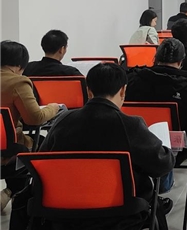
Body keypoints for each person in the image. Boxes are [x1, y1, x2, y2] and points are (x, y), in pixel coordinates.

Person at [39, 63, 175, 230]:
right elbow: (162, 165)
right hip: (120, 212)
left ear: (89, 91)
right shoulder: (130, 125)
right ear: (123, 91)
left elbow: (43, 160)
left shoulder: (63, 120)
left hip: (63, 212)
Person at [126, 39, 187, 163]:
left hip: (136, 145)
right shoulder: (186, 87)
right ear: (180, 62)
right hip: (175, 149)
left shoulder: (133, 80)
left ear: (156, 58)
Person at [1, 41, 60, 213]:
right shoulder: (18, 82)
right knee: (42, 144)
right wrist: (54, 107)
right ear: (20, 65)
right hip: (6, 150)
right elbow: (35, 118)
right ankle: (19, 196)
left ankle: (9, 192)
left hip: (5, 147)